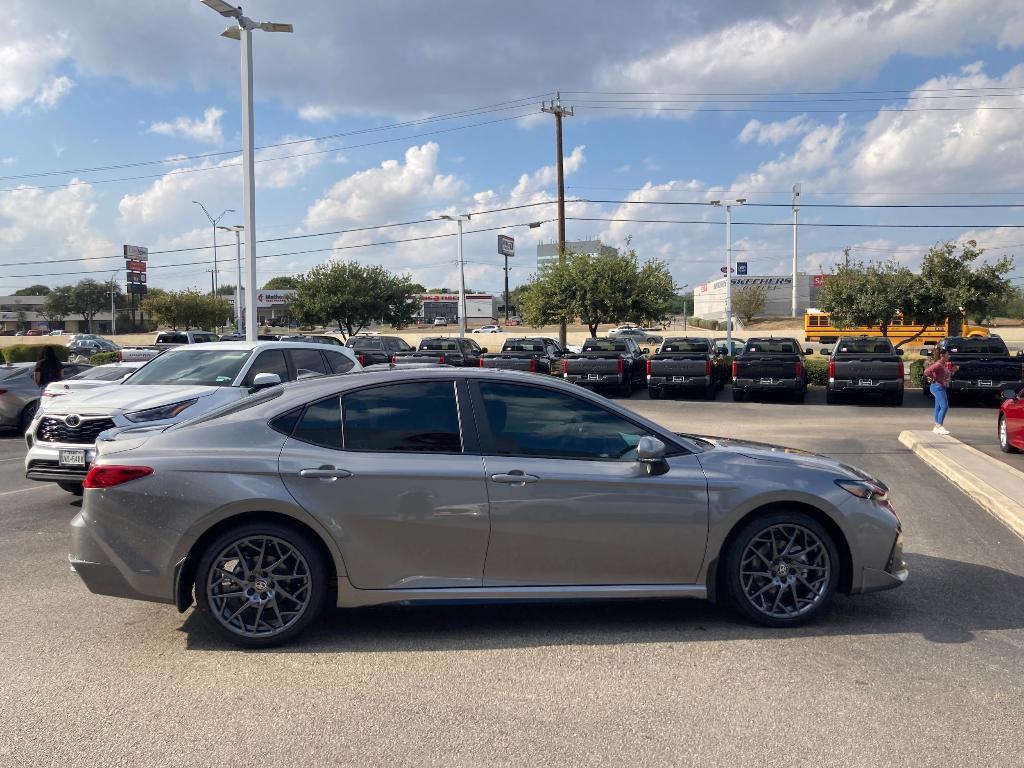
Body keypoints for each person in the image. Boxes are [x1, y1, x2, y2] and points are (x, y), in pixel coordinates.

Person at [924, 348, 958, 435]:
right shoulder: (938, 364)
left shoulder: (943, 364)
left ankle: (936, 427)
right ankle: (939, 426)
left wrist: (952, 370)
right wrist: (934, 378)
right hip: (937, 387)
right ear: (942, 356)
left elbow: (944, 374)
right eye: (947, 355)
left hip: (941, 387)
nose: (949, 356)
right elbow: (927, 371)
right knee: (944, 406)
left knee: (938, 407)